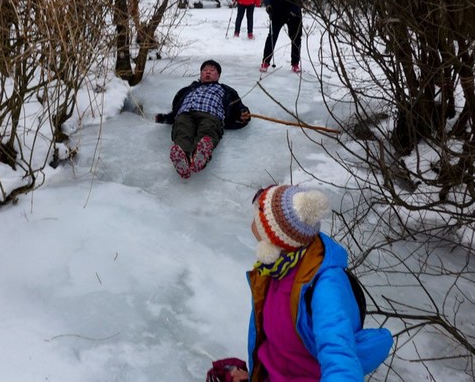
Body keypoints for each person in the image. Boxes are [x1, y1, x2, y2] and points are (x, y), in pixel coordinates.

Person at [232, 185, 393, 381]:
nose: (253, 215)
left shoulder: (325, 288)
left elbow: (340, 359)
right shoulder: (275, 268)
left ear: (273, 240)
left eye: (258, 212)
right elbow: (279, 349)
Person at [155, 60, 251, 179]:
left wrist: (243, 113)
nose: (208, 72)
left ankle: (200, 154)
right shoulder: (189, 89)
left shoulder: (225, 90)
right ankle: (182, 157)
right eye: (205, 70)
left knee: (208, 130)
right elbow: (176, 108)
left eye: (212, 70)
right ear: (200, 74)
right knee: (182, 130)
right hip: (185, 113)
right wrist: (165, 118)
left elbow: (237, 105)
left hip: (211, 114)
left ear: (218, 76)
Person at [260, 0, 308, 73]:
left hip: (294, 12)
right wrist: (269, 5)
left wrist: (294, 9)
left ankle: (295, 63)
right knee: (272, 36)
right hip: (277, 11)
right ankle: (265, 61)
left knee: (296, 38)